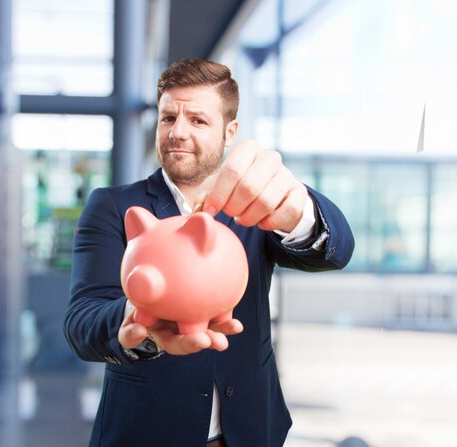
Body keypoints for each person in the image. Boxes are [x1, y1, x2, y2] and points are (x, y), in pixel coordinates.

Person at [64, 58, 354, 447]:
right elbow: (82, 324)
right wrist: (142, 323)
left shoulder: (256, 204)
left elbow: (336, 252)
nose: (177, 132)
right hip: (146, 434)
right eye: (168, 118)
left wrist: (297, 211)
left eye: (197, 120)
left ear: (229, 131)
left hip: (250, 430)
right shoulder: (114, 206)